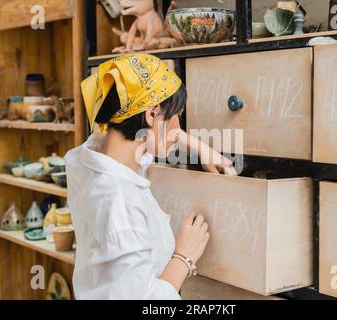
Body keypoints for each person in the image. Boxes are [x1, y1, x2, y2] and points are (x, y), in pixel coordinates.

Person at [65, 54, 236, 299]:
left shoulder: (91, 162)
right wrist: (184, 257)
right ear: (152, 114)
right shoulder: (121, 204)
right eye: (177, 115)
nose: (179, 125)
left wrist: (202, 149)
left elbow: (142, 141)